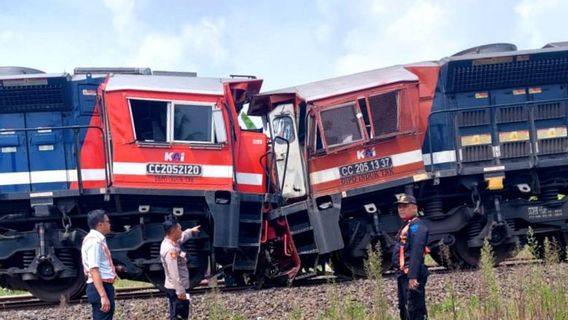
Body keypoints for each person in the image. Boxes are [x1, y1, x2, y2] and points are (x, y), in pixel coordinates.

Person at [392, 193, 429, 320]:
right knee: (405, 308)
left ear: (414, 207)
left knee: (415, 310)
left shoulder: (417, 226)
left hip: (412, 275)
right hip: (404, 274)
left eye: (405, 206)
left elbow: (417, 251)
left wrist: (413, 276)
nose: (401, 209)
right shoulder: (408, 225)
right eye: (399, 207)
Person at [160, 219, 201, 320]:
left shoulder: (173, 241)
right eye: (179, 229)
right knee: (179, 315)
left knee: (182, 312)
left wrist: (191, 231)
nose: (181, 231)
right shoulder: (170, 250)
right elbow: (174, 273)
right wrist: (180, 291)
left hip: (180, 287)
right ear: (173, 231)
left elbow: (182, 237)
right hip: (177, 289)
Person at [81, 209, 117, 320]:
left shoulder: (95, 239)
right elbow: (94, 269)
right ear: (100, 224)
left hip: (101, 286)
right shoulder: (94, 242)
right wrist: (103, 295)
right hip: (99, 286)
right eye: (108, 221)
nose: (110, 224)